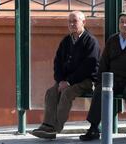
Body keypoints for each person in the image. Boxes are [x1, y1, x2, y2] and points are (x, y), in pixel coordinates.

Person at [79, 11, 126, 141]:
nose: (124, 24)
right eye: (121, 21)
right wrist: (99, 82)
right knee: (100, 90)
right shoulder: (113, 40)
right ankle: (93, 128)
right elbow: (104, 63)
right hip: (114, 79)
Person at [30, 11, 100, 140]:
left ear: (83, 22)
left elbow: (89, 66)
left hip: (86, 80)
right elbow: (57, 62)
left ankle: (56, 128)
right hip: (66, 80)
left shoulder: (90, 41)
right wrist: (60, 80)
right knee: (51, 92)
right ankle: (47, 125)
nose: (72, 24)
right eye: (69, 22)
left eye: (75, 21)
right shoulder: (66, 41)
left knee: (67, 93)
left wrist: (68, 82)